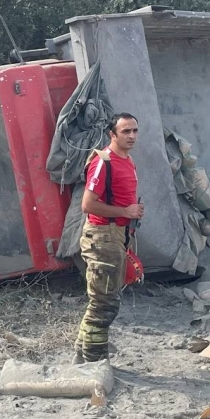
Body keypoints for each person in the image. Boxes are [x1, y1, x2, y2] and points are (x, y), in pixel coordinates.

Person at [73, 112, 145, 364]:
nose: (132, 136)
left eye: (135, 130)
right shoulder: (104, 161)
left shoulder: (128, 160)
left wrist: (131, 212)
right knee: (104, 304)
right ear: (112, 135)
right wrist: (125, 211)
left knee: (102, 301)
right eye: (126, 131)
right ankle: (94, 363)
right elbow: (88, 204)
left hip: (117, 235)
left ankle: (82, 358)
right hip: (103, 237)